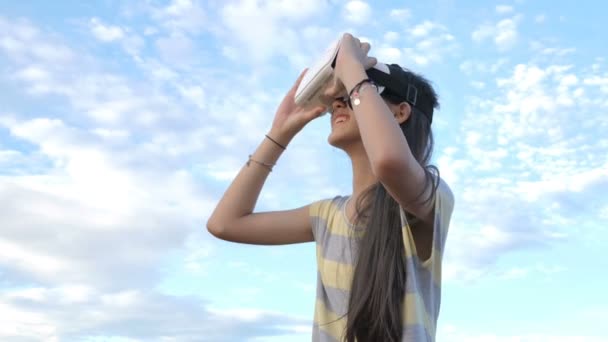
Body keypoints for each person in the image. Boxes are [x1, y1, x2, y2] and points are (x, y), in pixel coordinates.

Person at [207, 33, 455, 342]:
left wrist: (351, 66)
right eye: (337, 97)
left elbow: (390, 161)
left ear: (399, 112)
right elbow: (224, 224)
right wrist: (279, 133)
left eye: (353, 91)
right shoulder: (328, 215)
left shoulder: (431, 196)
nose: (338, 101)